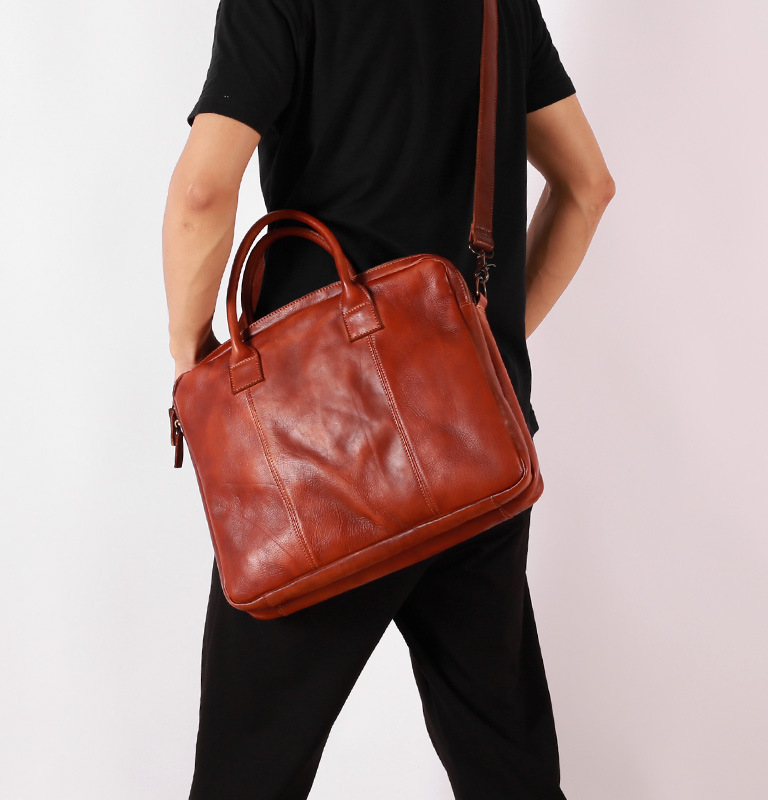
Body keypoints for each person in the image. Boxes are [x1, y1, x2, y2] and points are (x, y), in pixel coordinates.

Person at [162, 0, 615, 797]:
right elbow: (587, 186)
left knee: (246, 773)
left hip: (319, 458)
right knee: (506, 768)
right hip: (477, 444)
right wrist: (473, 355)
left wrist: (189, 356)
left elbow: (203, 192)